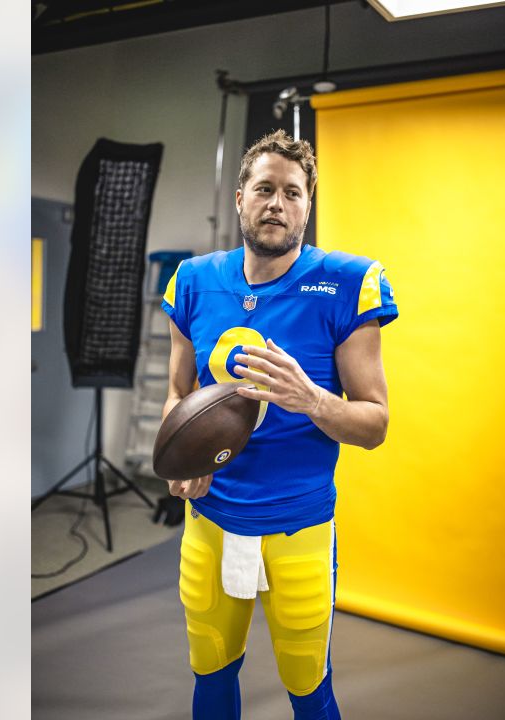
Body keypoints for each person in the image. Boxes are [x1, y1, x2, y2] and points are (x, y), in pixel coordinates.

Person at [160, 129, 397, 720]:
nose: (277, 204)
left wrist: (312, 399)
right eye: (264, 189)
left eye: (292, 193)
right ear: (240, 197)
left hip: (300, 529)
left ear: (307, 206)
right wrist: (180, 466)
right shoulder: (194, 280)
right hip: (210, 523)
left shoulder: (345, 283)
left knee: (307, 688)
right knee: (211, 672)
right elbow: (176, 391)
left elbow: (374, 424)